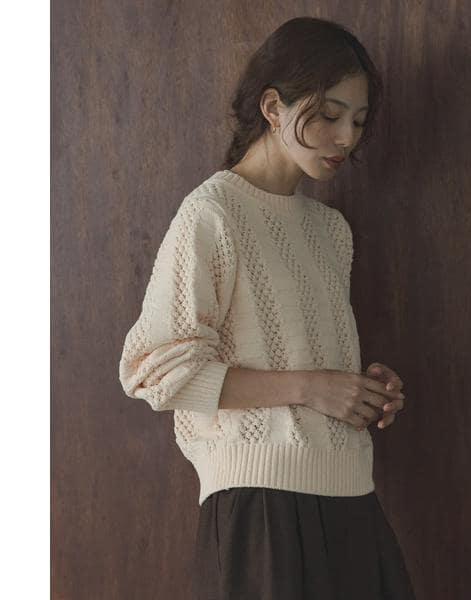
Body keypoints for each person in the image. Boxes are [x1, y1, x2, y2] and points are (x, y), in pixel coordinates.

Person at [118, 16, 416, 600]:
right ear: (274, 107)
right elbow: (154, 371)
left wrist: (361, 391)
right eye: (329, 115)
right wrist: (312, 387)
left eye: (358, 121)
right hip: (261, 510)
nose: (346, 137)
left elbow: (309, 365)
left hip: (352, 499)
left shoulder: (331, 230)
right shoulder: (212, 213)